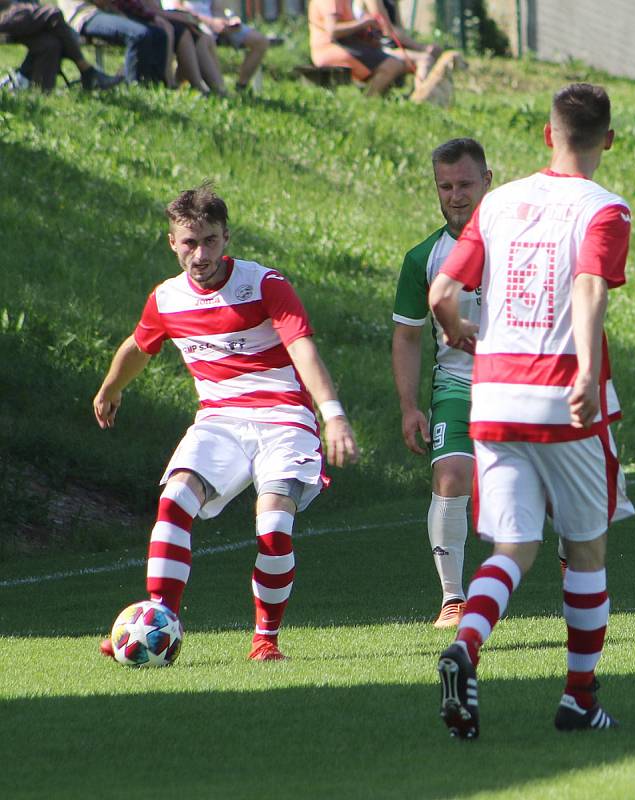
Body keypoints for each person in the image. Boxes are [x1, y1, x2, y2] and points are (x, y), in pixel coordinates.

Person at [429, 83, 635, 738]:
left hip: (492, 399)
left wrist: (461, 329)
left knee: (513, 545)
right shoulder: (604, 209)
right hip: (560, 399)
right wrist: (580, 368)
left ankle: (465, 646)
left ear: (547, 135)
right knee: (585, 549)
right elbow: (588, 284)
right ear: (606, 140)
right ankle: (578, 698)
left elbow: (441, 293)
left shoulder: (498, 202)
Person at [94, 184, 359, 662]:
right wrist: (112, 387)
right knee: (174, 500)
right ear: (172, 242)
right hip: (220, 422)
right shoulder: (167, 299)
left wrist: (332, 413)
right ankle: (155, 624)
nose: (200, 254)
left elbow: (302, 348)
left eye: (210, 241)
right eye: (189, 243)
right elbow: (139, 346)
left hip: (284, 420)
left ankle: (265, 639)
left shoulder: (264, 285)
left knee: (274, 526)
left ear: (226, 237)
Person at [391, 138, 491, 628]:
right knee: (451, 475)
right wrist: (410, 406)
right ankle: (454, 597)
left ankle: (574, 578)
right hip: (458, 386)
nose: (455, 195)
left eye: (465, 184)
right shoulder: (423, 258)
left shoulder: (519, 244)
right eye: (444, 186)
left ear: (487, 182)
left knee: (552, 488)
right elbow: (407, 337)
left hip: (521, 385)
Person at [0, 0, 123, 90]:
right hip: (5, 14)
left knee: (51, 44)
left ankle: (40, 95)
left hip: (19, 14)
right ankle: (86, 70)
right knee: (53, 14)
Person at [113, 0, 227, 93]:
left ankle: (218, 87)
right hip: (139, 19)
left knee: (203, 36)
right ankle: (178, 82)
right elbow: (149, 10)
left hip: (154, 17)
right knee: (182, 32)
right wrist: (181, 17)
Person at [307, 0, 408, 96]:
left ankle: (373, 99)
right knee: (393, 65)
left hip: (344, 46)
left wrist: (367, 36)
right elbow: (333, 31)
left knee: (398, 63)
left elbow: (347, 28)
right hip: (331, 49)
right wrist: (364, 22)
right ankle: (367, 102)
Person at [58, 0, 168, 86]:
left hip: (105, 12)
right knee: (138, 34)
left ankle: (154, 84)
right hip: (85, 15)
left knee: (159, 35)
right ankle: (134, 86)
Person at [169, 0, 269, 92]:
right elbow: (176, 8)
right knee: (205, 38)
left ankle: (241, 87)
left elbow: (216, 7)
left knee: (260, 41)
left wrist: (228, 22)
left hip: (215, 22)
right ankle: (216, 88)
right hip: (192, 22)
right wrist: (211, 22)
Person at [356, 0, 440, 83]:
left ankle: (419, 91)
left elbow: (399, 28)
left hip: (393, 45)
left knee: (435, 52)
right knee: (425, 60)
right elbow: (386, 28)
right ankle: (422, 94)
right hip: (379, 47)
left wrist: (418, 46)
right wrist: (421, 47)